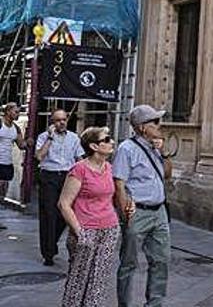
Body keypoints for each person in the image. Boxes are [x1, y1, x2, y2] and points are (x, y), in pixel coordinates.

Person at [58, 126, 129, 307]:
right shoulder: (79, 169)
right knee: (78, 280)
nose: (111, 142)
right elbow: (64, 204)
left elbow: (113, 195)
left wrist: (130, 203)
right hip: (85, 229)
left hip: (109, 229)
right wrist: (80, 233)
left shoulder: (110, 168)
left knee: (99, 280)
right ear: (94, 146)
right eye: (106, 139)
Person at [115, 104, 170, 307]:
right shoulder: (126, 149)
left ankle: (155, 303)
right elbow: (119, 185)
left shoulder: (155, 148)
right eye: (155, 122)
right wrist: (126, 215)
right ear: (142, 127)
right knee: (129, 263)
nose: (159, 125)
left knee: (161, 261)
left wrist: (163, 152)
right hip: (137, 211)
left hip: (159, 212)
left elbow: (167, 174)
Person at [35, 109, 83, 266]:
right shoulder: (44, 137)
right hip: (49, 177)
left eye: (63, 119)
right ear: (52, 122)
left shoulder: (74, 138)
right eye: (57, 120)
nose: (61, 122)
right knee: (49, 214)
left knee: (65, 214)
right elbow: (39, 156)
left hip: (67, 177)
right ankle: (48, 253)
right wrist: (50, 137)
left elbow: (79, 159)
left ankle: (51, 242)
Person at [0, 102, 27, 231]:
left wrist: (29, 143)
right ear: (8, 111)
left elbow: (21, 145)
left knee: (2, 192)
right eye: (15, 111)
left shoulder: (15, 128)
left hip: (7, 163)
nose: (17, 114)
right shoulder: (0, 124)